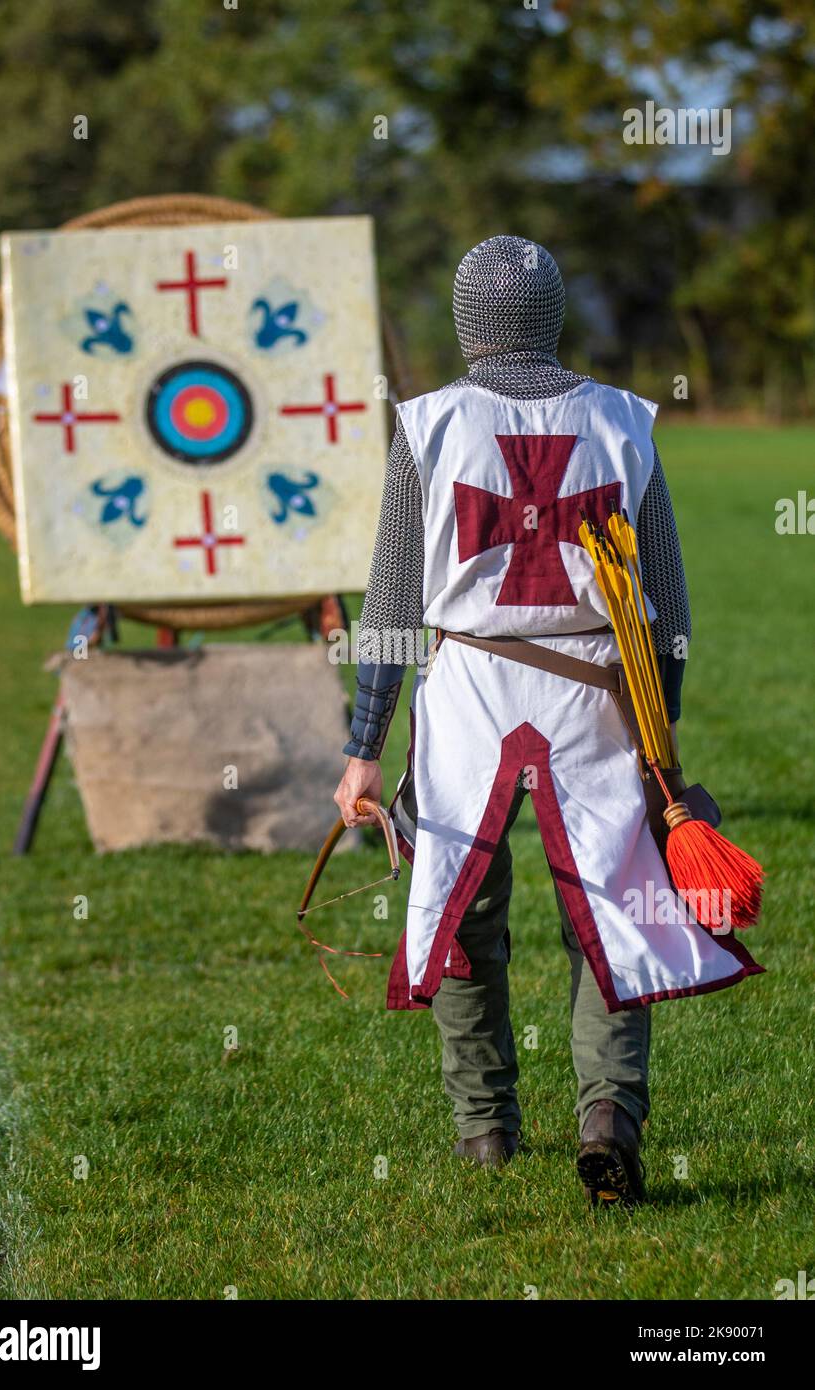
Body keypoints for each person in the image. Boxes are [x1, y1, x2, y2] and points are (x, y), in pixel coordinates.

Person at [334, 236, 762, 1206]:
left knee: (458, 907)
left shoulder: (427, 426)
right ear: (552, 314)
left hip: (468, 697)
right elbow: (669, 607)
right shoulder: (621, 420)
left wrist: (364, 746)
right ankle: (606, 1115)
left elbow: (392, 610)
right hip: (597, 693)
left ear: (465, 321)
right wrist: (662, 737)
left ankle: (482, 1127)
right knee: (611, 910)